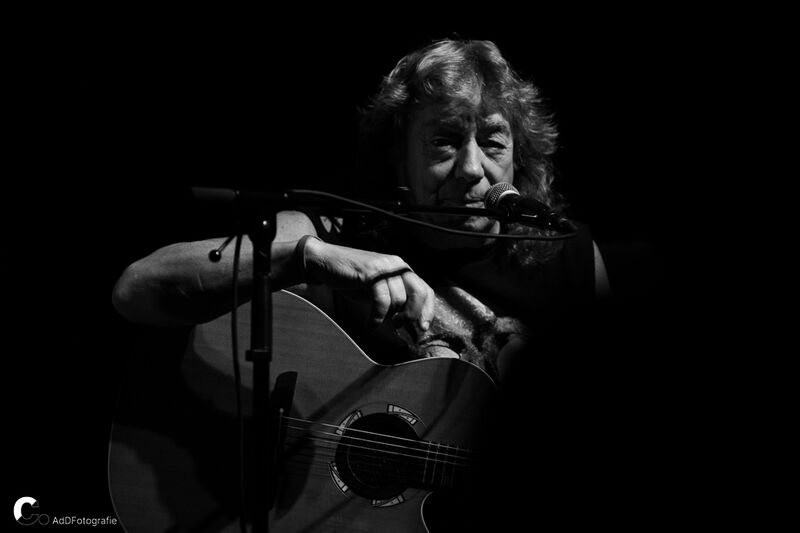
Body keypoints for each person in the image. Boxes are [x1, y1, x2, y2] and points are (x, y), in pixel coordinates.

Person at [112, 38, 612, 530]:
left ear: (519, 156)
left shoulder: (571, 256)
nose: (471, 168)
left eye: (493, 142)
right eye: (444, 140)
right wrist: (308, 256)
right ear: (398, 154)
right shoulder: (338, 233)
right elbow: (137, 289)